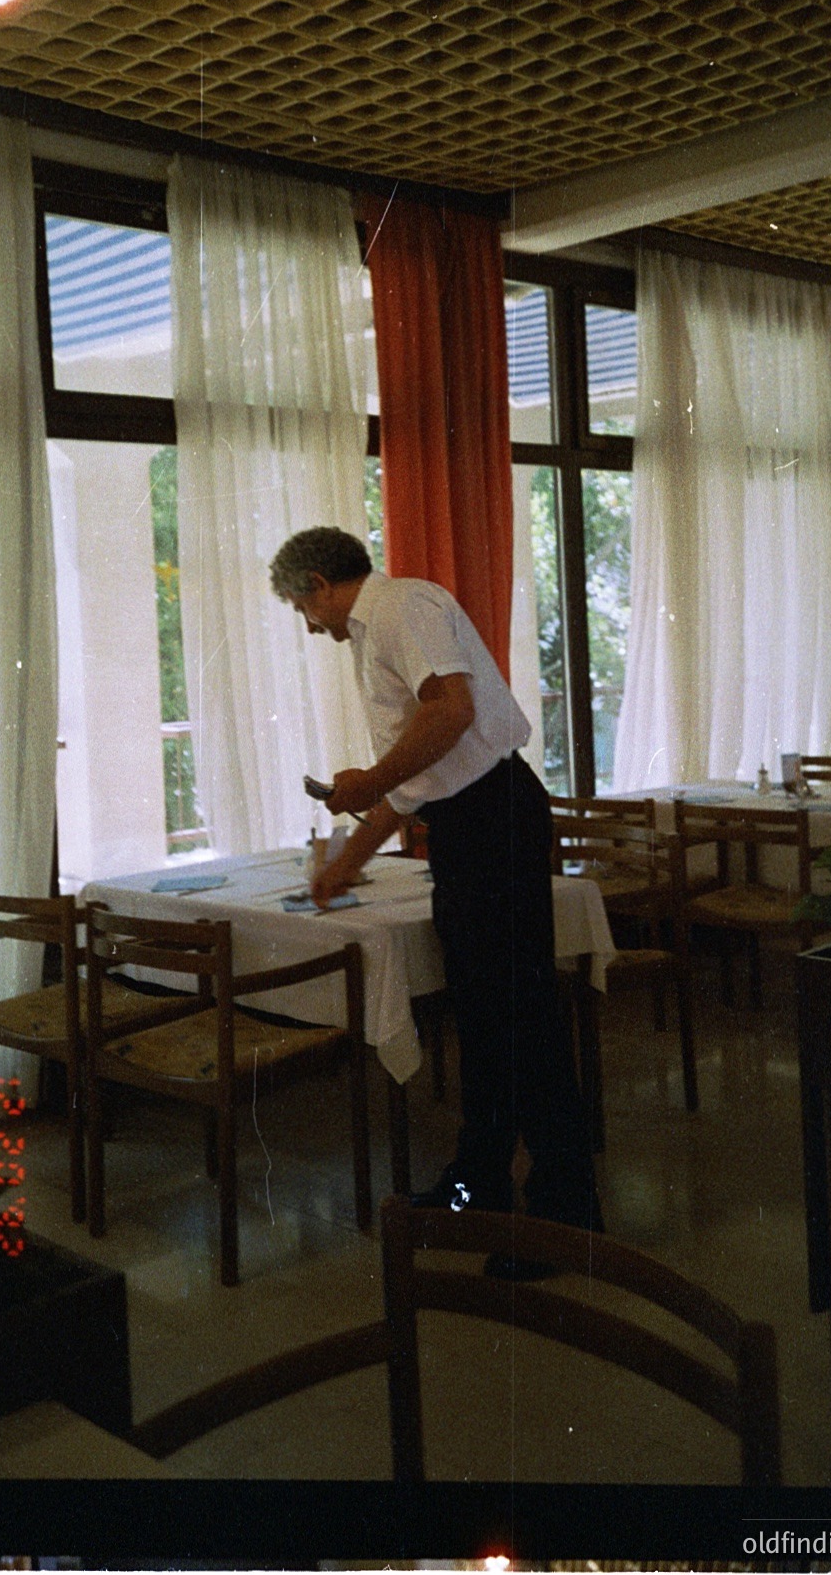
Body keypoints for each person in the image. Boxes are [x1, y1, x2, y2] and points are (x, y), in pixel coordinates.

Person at [269, 527, 603, 1267]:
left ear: (320, 584)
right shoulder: (374, 628)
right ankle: (476, 1189)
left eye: (301, 607)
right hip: (468, 824)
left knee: (520, 1019)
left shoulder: (401, 606)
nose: (307, 623)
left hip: (495, 819)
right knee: (484, 1020)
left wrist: (371, 781)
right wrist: (347, 862)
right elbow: (422, 779)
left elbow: (450, 713)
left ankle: (565, 1217)